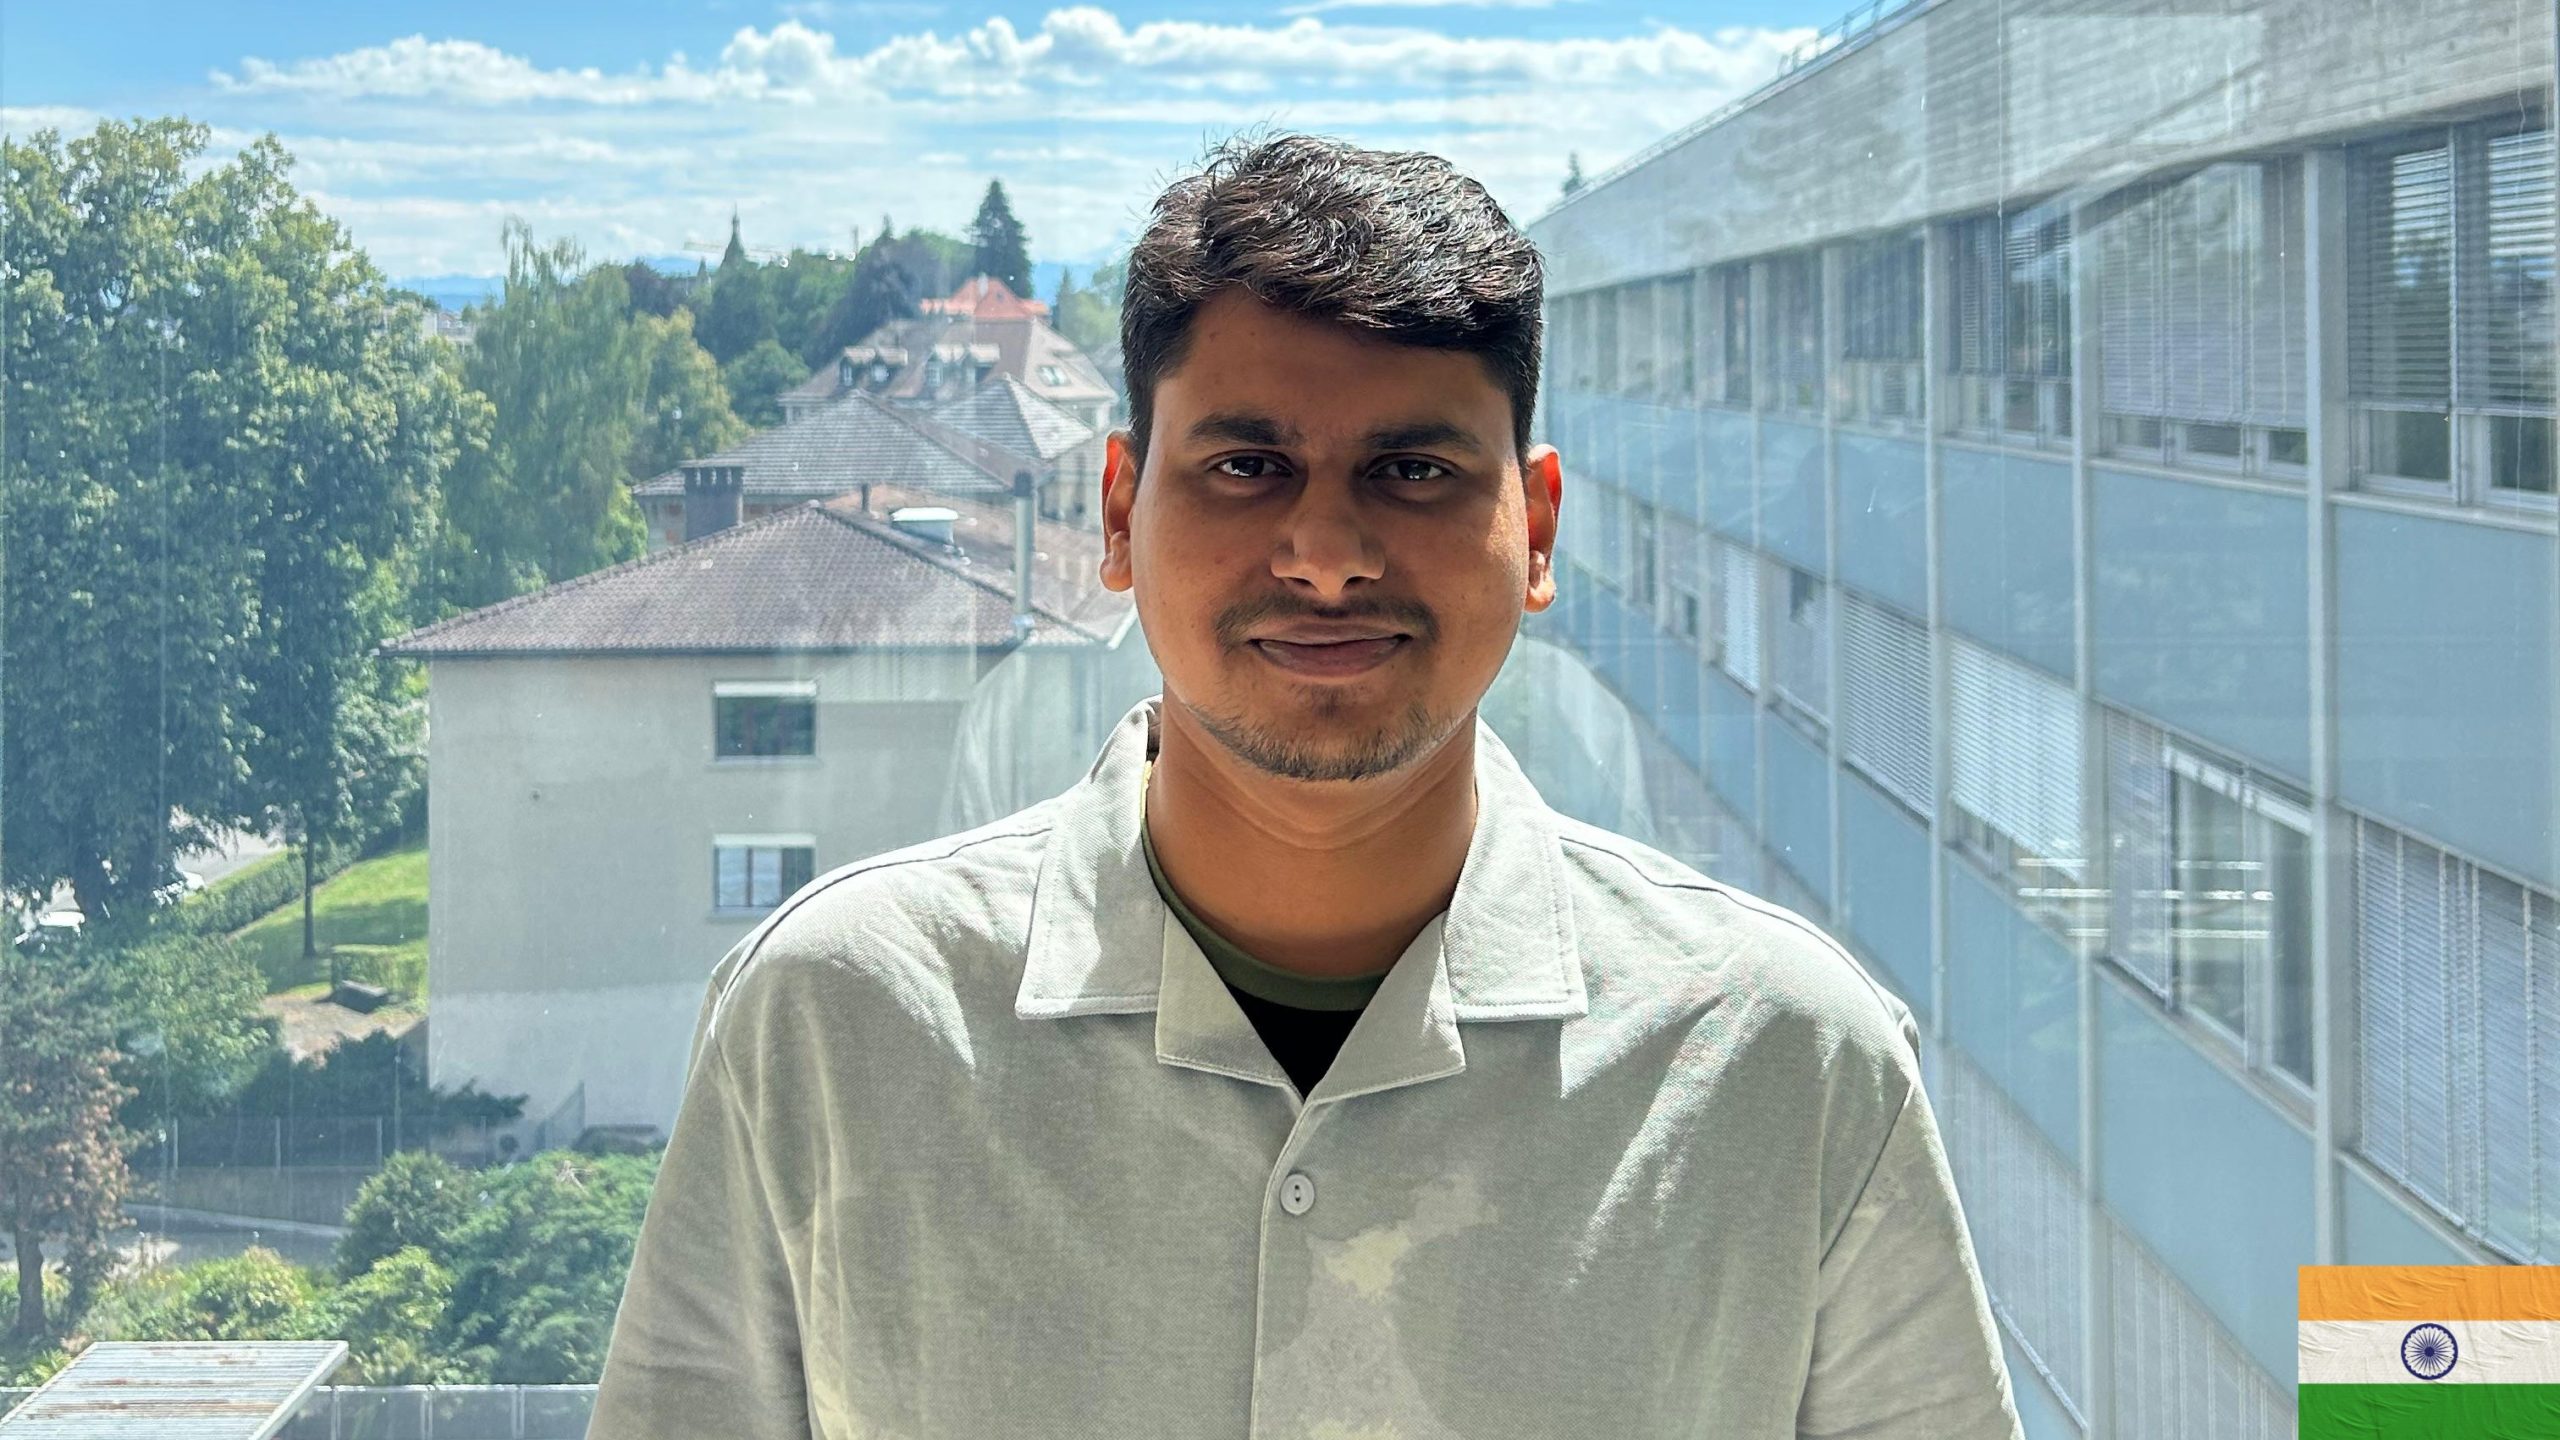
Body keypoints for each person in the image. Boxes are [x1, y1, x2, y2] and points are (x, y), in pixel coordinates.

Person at [586, 132, 2025, 1440]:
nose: (1327, 552)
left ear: (1534, 530)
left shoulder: (1787, 1066)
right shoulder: (838, 1023)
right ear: (1117, 512)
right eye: (1248, 463)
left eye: (1413, 470)